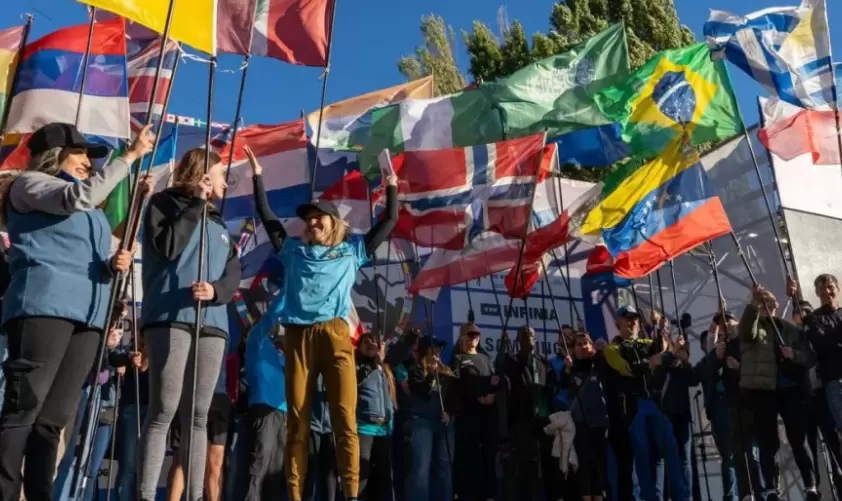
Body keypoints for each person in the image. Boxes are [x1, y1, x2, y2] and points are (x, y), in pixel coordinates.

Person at [0, 122, 153, 501]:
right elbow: (75, 199)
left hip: (89, 317)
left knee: (52, 421)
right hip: (43, 306)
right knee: (23, 412)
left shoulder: (91, 214)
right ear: (54, 155)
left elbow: (96, 252)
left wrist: (114, 260)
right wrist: (128, 157)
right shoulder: (31, 184)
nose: (88, 162)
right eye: (81, 153)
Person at [244, 145, 398, 501]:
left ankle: (351, 495)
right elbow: (268, 217)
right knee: (297, 419)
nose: (312, 223)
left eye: (319, 218)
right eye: (308, 219)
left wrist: (391, 185)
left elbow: (388, 222)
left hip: (335, 336)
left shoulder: (352, 251)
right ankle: (296, 495)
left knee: (345, 418)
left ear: (333, 223)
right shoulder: (292, 250)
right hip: (298, 337)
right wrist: (258, 177)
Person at [138, 147, 241, 501]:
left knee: (198, 415)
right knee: (164, 408)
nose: (227, 181)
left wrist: (215, 290)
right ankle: (147, 494)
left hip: (212, 324)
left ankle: (195, 496)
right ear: (203, 175)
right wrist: (196, 203)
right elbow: (168, 246)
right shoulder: (163, 205)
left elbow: (233, 272)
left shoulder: (220, 222)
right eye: (221, 173)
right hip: (170, 317)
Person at [52, 304, 143, 501]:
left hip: (105, 401)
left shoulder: (112, 331)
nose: (120, 319)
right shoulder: (88, 325)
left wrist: (127, 357)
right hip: (80, 392)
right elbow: (84, 355)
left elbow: (111, 357)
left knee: (90, 466)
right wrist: (106, 345)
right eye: (119, 314)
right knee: (68, 458)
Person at [738, 284, 817, 500]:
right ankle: (771, 488)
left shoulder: (791, 330)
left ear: (776, 304)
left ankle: (810, 486)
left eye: (768, 299)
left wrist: (794, 355)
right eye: (761, 301)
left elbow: (810, 357)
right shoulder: (755, 326)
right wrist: (753, 305)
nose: (765, 303)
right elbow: (746, 331)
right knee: (768, 442)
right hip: (764, 392)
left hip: (790, 390)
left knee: (798, 440)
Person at [603, 305, 689, 501]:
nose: (633, 322)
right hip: (633, 406)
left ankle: (682, 496)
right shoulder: (613, 348)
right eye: (628, 318)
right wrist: (650, 362)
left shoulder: (646, 342)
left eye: (635, 318)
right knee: (642, 455)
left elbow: (663, 352)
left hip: (655, 403)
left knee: (670, 448)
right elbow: (624, 368)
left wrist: (662, 331)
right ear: (618, 323)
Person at [501, 326, 560, 501]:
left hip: (544, 419)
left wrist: (544, 390)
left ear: (536, 339)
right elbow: (509, 385)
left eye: (531, 336)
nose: (528, 339)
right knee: (526, 464)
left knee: (549, 463)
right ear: (518, 340)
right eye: (524, 336)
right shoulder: (512, 361)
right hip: (523, 419)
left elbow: (555, 386)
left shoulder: (544, 362)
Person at [407, 336, 457, 501]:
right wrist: (431, 376)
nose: (437, 351)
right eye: (433, 347)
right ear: (425, 350)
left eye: (439, 348)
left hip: (443, 424)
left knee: (444, 467)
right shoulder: (415, 369)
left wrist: (449, 412)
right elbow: (421, 391)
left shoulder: (447, 370)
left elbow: (455, 395)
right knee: (422, 468)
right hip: (422, 422)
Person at [450, 323, 497, 501]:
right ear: (462, 336)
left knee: (488, 456)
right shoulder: (457, 358)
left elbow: (494, 380)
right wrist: (476, 397)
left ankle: (489, 495)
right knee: (468, 458)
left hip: (487, 416)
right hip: (467, 416)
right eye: (470, 334)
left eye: (476, 335)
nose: (474, 338)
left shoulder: (485, 358)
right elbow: (456, 385)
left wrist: (492, 394)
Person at [243, 316, 287, 501]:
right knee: (259, 465)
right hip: (263, 409)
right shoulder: (256, 342)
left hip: (284, 414)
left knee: (276, 472)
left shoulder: (281, 353)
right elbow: (268, 319)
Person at [563, 332, 609, 501]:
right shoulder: (569, 368)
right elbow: (562, 387)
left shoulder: (598, 364)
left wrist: (598, 355)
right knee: (584, 465)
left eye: (585, 343)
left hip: (598, 422)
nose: (583, 347)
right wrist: (567, 369)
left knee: (598, 465)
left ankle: (599, 496)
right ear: (573, 349)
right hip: (579, 423)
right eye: (578, 344)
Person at [356, 332, 397, 501]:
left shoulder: (384, 368)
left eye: (373, 341)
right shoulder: (357, 366)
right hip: (363, 429)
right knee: (361, 479)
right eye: (366, 342)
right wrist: (374, 362)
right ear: (359, 347)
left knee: (382, 481)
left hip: (384, 430)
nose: (371, 344)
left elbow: (390, 398)